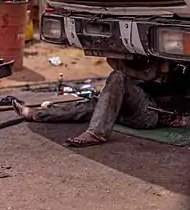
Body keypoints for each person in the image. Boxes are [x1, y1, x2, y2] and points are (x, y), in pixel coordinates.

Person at [12, 59, 190, 147]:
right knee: (88, 107)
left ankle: (97, 133)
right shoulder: (151, 65)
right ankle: (34, 114)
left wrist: (182, 117)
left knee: (118, 77)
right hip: (133, 108)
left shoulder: (181, 73)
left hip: (150, 114)